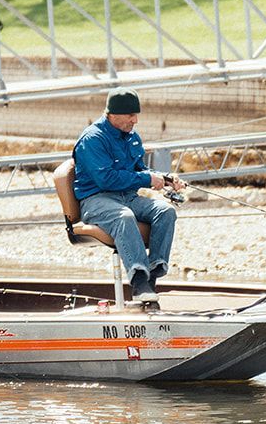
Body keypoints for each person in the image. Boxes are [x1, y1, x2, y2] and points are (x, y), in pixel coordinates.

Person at [72, 89, 185, 307]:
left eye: (136, 115)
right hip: (96, 200)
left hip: (127, 196)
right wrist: (147, 179)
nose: (135, 120)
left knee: (166, 211)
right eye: (130, 115)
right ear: (112, 114)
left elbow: (139, 169)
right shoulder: (93, 139)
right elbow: (107, 179)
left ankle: (152, 276)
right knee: (124, 217)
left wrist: (164, 178)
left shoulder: (131, 136)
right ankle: (139, 282)